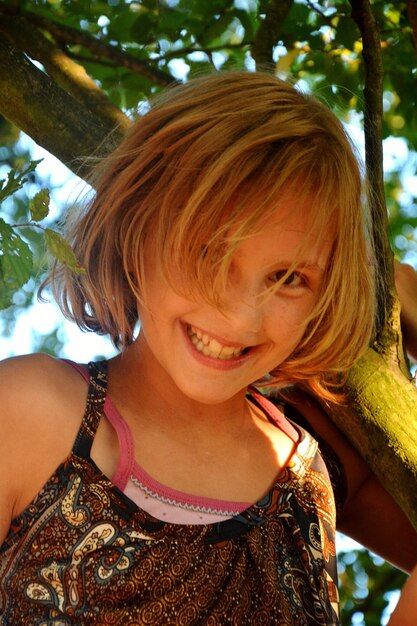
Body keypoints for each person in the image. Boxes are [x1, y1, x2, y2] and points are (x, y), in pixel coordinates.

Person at [0, 71, 416, 625]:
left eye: (290, 277)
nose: (241, 315)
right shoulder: (32, 412)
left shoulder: (307, 473)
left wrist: (395, 292)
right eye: (210, 251)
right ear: (137, 224)